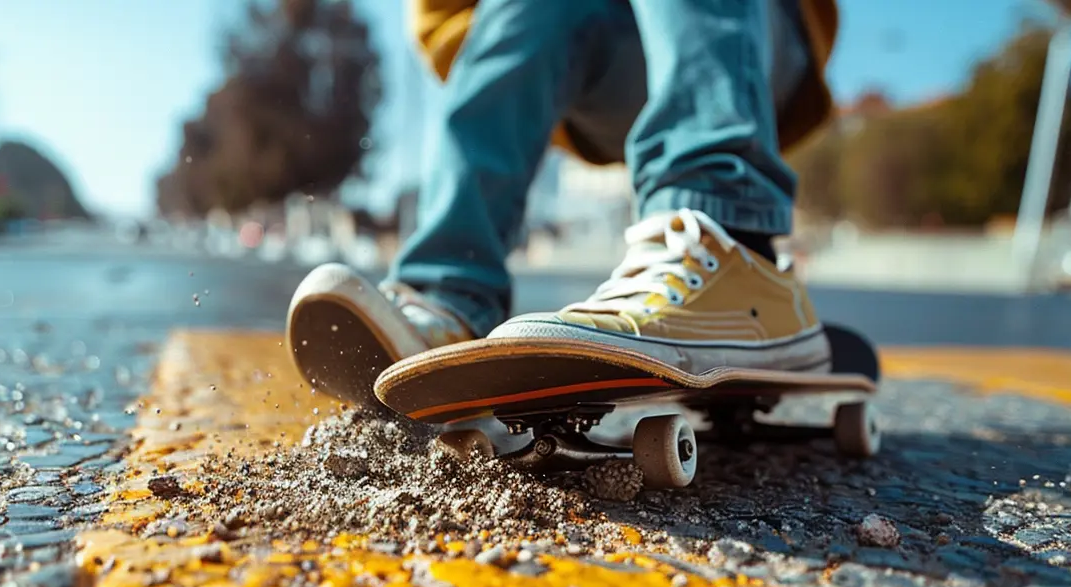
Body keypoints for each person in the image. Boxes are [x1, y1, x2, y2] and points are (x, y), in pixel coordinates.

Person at [286, 0, 841, 406]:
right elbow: (446, 25)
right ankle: (446, 301)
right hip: (608, 50)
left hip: (750, 36)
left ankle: (734, 245)